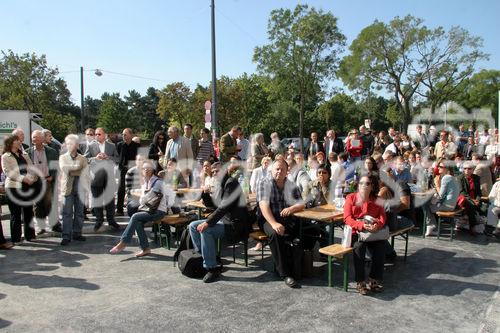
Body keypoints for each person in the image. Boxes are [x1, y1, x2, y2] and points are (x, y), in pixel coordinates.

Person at [189, 158, 251, 283]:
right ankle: (206, 258)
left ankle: (212, 268)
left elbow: (223, 207)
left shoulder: (231, 183)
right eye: (213, 172)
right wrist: (205, 193)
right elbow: (213, 206)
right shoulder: (220, 184)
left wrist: (207, 222)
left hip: (236, 225)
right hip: (224, 221)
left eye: (217, 171)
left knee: (206, 230)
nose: (214, 173)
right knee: (192, 225)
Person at [257, 159, 305, 288]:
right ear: (272, 170)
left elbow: (301, 204)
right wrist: (273, 223)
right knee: (275, 233)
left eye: (282, 169)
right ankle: (285, 273)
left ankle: (300, 266)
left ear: (287, 171)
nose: (279, 171)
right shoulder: (264, 183)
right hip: (267, 218)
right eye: (277, 169)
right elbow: (263, 205)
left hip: (285, 217)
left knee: (304, 229)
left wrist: (291, 208)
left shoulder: (291, 184)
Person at [110, 160, 174, 257]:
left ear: (153, 170)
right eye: (144, 169)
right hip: (150, 210)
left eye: (149, 169)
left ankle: (123, 242)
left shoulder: (158, 182)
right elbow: (145, 196)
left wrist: (167, 207)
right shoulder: (146, 182)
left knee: (135, 216)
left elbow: (148, 197)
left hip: (159, 212)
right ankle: (146, 249)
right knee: (137, 222)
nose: (146, 171)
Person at [343, 173, 386, 295]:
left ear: (372, 186)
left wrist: (377, 225)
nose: (363, 186)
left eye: (367, 183)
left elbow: (383, 217)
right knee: (359, 247)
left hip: (373, 233)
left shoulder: (377, 200)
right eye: (361, 183)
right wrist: (361, 225)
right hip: (358, 233)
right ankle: (360, 281)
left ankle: (373, 280)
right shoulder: (351, 198)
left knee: (381, 246)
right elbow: (347, 218)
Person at [1, 134, 37, 242]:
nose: (19, 141)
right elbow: (8, 172)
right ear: (11, 143)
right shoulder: (5, 156)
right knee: (15, 214)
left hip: (27, 186)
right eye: (16, 140)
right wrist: (23, 178)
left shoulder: (24, 154)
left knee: (28, 212)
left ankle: (30, 236)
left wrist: (31, 178)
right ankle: (16, 239)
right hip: (13, 187)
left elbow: (31, 167)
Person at [84, 127, 121, 232]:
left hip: (109, 176)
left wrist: (108, 157)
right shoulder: (90, 146)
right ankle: (99, 220)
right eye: (95, 134)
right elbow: (85, 159)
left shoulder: (112, 146)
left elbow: (117, 159)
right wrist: (95, 158)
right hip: (96, 177)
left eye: (99, 134)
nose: (96, 136)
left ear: (105, 135)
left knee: (110, 200)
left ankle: (111, 220)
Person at [59, 134, 90, 245]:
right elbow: (65, 169)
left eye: (72, 144)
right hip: (67, 188)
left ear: (77, 145)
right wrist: (78, 168)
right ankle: (66, 236)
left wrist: (73, 169)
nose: (70, 146)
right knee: (67, 213)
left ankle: (77, 233)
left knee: (79, 212)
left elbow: (86, 173)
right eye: (68, 144)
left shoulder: (83, 158)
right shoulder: (62, 157)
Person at [28, 130, 61, 235]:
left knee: (49, 203)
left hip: (47, 180)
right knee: (37, 205)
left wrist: (53, 176)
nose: (35, 140)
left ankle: (55, 225)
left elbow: (56, 167)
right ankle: (41, 227)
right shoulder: (27, 152)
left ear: (42, 139)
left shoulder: (51, 151)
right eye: (33, 137)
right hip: (35, 181)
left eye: (37, 137)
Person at [423, 158, 460, 236]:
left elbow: (440, 195)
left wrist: (436, 184)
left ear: (447, 168)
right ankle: (432, 226)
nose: (438, 167)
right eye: (438, 166)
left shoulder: (446, 178)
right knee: (428, 204)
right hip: (452, 205)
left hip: (447, 206)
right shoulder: (452, 177)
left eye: (441, 166)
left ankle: (431, 226)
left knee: (424, 204)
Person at [116, 128, 140, 215]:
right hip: (123, 170)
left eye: (125, 134)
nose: (123, 136)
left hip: (134, 170)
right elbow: (118, 156)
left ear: (131, 135)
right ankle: (119, 210)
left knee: (134, 189)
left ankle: (135, 209)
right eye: (123, 134)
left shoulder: (137, 146)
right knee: (121, 189)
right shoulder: (120, 145)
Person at [457, 161, 482, 235]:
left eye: (469, 169)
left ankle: (476, 224)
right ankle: (472, 227)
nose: (467, 171)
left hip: (474, 200)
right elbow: (462, 192)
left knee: (483, 207)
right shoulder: (460, 178)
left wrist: (477, 200)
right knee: (471, 206)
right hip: (464, 199)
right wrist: (472, 200)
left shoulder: (476, 178)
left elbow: (478, 192)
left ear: (472, 169)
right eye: (465, 169)